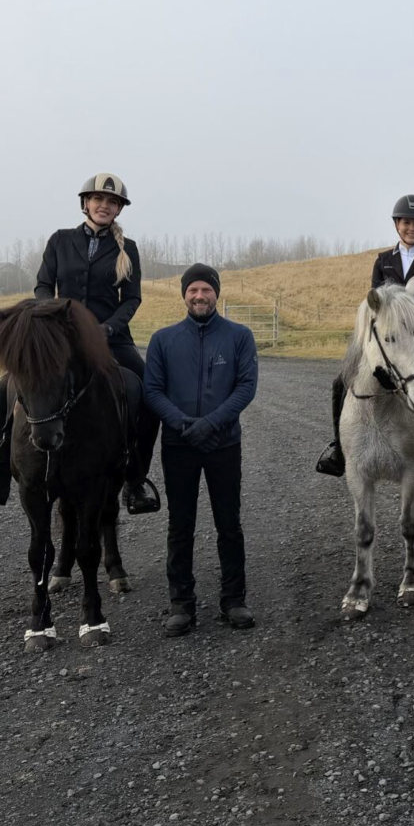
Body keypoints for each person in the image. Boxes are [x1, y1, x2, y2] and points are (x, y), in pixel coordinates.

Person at [0, 172, 161, 515]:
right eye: (98, 200)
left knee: (147, 395)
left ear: (118, 209)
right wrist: (47, 322)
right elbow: (42, 287)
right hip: (59, 339)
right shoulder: (60, 240)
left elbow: (132, 299)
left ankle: (135, 481)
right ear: (86, 203)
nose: (104, 206)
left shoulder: (130, 250)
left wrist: (108, 328)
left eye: (112, 202)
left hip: (110, 339)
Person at [143, 264, 260, 636]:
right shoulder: (163, 340)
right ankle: (181, 604)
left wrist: (212, 423)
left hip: (224, 444)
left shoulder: (239, 336)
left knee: (230, 524)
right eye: (192, 290)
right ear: (183, 295)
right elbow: (152, 391)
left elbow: (245, 387)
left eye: (205, 290)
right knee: (181, 525)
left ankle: (234, 600)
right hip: (179, 446)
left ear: (216, 294)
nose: (199, 296)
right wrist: (183, 425)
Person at [317, 194, 414, 476]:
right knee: (342, 379)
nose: (412, 228)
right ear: (397, 225)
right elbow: (375, 300)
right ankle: (339, 448)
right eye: (406, 223)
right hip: (386, 337)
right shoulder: (382, 260)